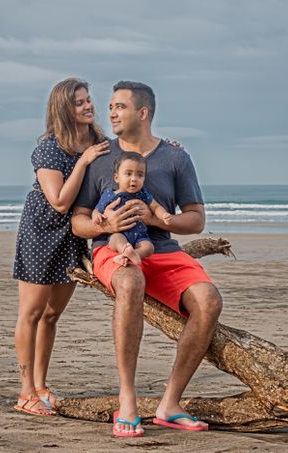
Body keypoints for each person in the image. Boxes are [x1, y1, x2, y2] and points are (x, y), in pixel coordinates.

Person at [72, 81, 222, 437]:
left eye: (119, 106)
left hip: (162, 250)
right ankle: (128, 399)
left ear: (143, 113)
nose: (110, 113)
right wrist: (104, 226)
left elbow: (196, 220)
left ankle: (170, 403)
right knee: (130, 279)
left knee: (210, 300)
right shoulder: (100, 157)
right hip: (112, 247)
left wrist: (156, 219)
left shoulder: (175, 157)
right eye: (109, 106)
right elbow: (78, 221)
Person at [12, 78, 110, 416]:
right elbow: (58, 201)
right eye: (79, 102)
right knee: (33, 312)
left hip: (72, 235)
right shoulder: (49, 148)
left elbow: (128, 159)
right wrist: (83, 161)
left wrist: (166, 147)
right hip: (41, 231)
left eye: (88, 99)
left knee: (52, 315)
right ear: (63, 110)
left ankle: (41, 385)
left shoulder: (99, 141)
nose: (88, 106)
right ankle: (26, 393)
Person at [92, 151, 173, 266]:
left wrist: (164, 215)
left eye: (139, 175)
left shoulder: (143, 194)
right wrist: (96, 216)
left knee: (149, 247)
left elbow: (156, 207)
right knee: (117, 240)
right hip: (118, 233)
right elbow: (97, 209)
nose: (134, 179)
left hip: (140, 236)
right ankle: (126, 251)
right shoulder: (110, 195)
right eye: (128, 174)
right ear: (116, 178)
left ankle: (130, 255)